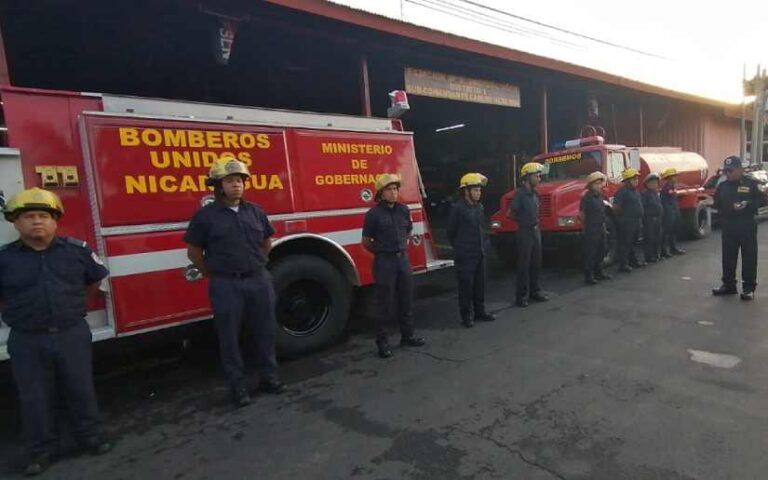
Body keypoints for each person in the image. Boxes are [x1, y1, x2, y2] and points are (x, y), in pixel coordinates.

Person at [0, 188, 112, 476]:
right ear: (15, 222)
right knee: (34, 397)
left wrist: (72, 308)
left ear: (55, 221)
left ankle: (91, 438)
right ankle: (41, 452)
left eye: (43, 216)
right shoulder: (4, 259)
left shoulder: (77, 251)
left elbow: (94, 281)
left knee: (80, 389)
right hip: (27, 338)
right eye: (28, 216)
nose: (36, 221)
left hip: (71, 332)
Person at [185, 158, 286, 408]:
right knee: (229, 337)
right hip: (226, 284)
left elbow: (266, 242)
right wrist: (213, 274)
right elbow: (194, 253)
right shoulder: (205, 217)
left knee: (265, 331)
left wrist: (259, 263)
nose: (236, 186)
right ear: (218, 186)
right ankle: (238, 387)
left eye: (240, 181)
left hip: (258, 279)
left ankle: (269, 378)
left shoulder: (255, 211)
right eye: (230, 181)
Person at [362, 173, 426, 358]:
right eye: (389, 189)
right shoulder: (373, 215)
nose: (393, 193)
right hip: (384, 261)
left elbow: (407, 231)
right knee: (384, 303)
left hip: (402, 259)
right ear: (381, 193)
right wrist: (383, 252)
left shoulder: (403, 210)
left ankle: (408, 336)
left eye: (395, 189)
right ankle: (382, 342)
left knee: (406, 299)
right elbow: (366, 241)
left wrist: (400, 249)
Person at [711, 155, 766, 300]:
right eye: (726, 171)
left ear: (740, 170)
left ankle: (749, 288)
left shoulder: (751, 183)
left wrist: (747, 204)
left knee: (749, 257)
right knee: (728, 257)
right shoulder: (723, 186)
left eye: (731, 170)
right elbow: (716, 203)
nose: (728, 174)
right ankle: (729, 285)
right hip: (729, 226)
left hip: (746, 225)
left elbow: (762, 200)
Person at [447, 173, 496, 328]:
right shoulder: (458, 209)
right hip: (465, 254)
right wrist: (461, 247)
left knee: (480, 284)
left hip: (480, 252)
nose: (478, 193)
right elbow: (451, 232)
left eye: (479, 190)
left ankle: (480, 311)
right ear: (466, 191)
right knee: (466, 286)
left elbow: (482, 228)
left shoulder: (479, 207)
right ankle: (466, 316)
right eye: (475, 190)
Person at [508, 162, 549, 308]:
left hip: (535, 231)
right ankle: (521, 296)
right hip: (525, 232)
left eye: (539, 176)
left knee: (536, 263)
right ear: (527, 177)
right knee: (524, 265)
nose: (539, 178)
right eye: (536, 176)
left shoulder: (535, 194)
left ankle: (534, 292)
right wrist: (524, 222)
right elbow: (510, 214)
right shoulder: (520, 194)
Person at [579, 171, 612, 285]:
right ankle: (589, 276)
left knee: (602, 250)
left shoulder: (601, 196)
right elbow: (582, 214)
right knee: (590, 253)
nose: (599, 186)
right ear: (590, 185)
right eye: (596, 184)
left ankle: (599, 272)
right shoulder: (586, 198)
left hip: (601, 227)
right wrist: (586, 227)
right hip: (591, 228)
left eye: (600, 183)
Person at [613, 168, 646, 273]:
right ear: (627, 180)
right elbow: (616, 207)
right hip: (626, 222)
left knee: (633, 242)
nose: (636, 180)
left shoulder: (635, 191)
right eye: (633, 179)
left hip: (636, 221)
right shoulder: (622, 192)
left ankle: (632, 261)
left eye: (637, 178)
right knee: (625, 244)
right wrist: (623, 218)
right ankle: (623, 265)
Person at [660, 168, 686, 257]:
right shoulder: (667, 187)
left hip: (673, 209)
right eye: (674, 176)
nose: (676, 178)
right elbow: (666, 200)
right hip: (669, 211)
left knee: (673, 230)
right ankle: (665, 250)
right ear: (670, 177)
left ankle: (673, 248)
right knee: (667, 231)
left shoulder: (672, 186)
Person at [641, 173, 663, 263]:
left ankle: (656, 255)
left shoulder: (655, 193)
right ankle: (649, 257)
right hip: (649, 219)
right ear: (647, 184)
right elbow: (643, 207)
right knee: (650, 238)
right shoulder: (645, 194)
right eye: (652, 183)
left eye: (656, 183)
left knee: (657, 237)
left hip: (657, 219)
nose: (654, 184)